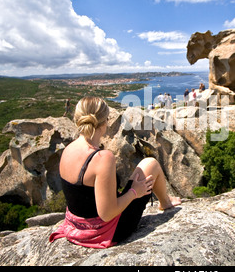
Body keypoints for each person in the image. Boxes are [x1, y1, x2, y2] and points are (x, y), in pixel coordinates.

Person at [50, 96, 181, 248]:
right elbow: (107, 213)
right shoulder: (101, 158)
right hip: (102, 231)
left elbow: (83, 195)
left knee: (146, 166)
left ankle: (165, 201)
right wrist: (134, 192)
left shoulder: (68, 149)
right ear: (104, 122)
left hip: (75, 225)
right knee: (151, 163)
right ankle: (166, 202)